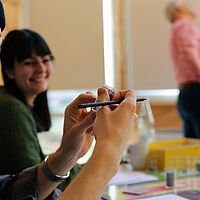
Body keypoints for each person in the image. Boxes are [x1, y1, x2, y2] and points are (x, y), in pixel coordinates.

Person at [0, 1, 138, 199]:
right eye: (29, 63)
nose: (41, 69)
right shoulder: (9, 107)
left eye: (46, 60)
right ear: (9, 70)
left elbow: (24, 187)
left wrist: (70, 153)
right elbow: (35, 195)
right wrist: (109, 148)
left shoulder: (17, 104)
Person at [166, 1, 200, 138]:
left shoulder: (177, 28)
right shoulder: (185, 25)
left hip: (187, 92)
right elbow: (188, 52)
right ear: (179, 8)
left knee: (192, 145)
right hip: (196, 91)